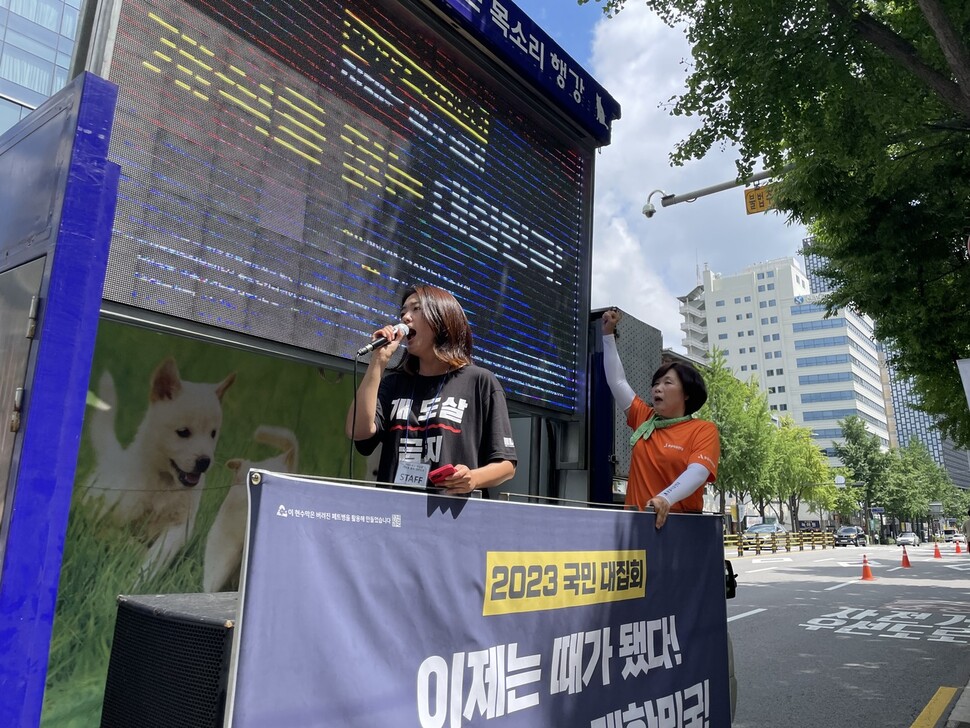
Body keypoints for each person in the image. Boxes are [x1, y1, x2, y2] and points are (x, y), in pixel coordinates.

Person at [346, 285, 517, 494]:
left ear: (442, 318)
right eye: (402, 313)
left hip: (452, 516)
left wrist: (472, 478)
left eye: (416, 309)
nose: (406, 318)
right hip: (394, 514)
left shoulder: (479, 381)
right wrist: (378, 361)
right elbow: (357, 431)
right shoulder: (394, 384)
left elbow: (506, 465)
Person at [600, 308, 720, 527]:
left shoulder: (703, 430)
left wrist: (666, 498)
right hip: (634, 526)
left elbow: (698, 472)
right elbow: (617, 381)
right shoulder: (644, 419)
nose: (657, 389)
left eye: (667, 383)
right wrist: (607, 334)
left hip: (679, 527)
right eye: (655, 383)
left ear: (687, 394)